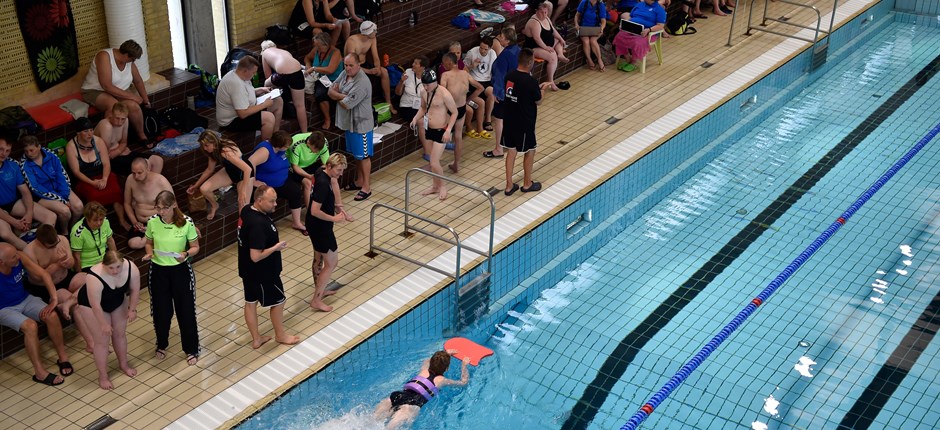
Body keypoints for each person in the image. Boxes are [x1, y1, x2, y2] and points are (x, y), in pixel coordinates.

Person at [237, 185, 301, 348]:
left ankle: (256, 338)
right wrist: (275, 247)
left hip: (247, 270)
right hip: (263, 273)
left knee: (250, 302)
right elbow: (256, 256)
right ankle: (280, 335)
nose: (275, 204)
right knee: (279, 301)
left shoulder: (246, 210)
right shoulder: (258, 224)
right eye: (271, 201)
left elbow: (241, 199)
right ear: (259, 201)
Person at [0, 243, 72, 386]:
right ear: (2, 262)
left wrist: (54, 299)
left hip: (25, 299)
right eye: (13, 257)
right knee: (31, 326)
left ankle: (62, 357)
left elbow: (43, 274)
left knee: (51, 315)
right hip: (4, 308)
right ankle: (40, 373)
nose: (17, 257)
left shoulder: (20, 257)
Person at [142, 191, 201, 366]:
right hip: (158, 271)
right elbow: (148, 242)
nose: (161, 212)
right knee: (161, 312)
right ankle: (161, 344)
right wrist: (148, 254)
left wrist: (186, 254)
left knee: (186, 311)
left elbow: (195, 247)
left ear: (174, 205)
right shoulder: (152, 221)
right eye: (158, 208)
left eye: (165, 208)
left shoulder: (186, 222)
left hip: (181, 270)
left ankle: (191, 349)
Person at [73, 250, 141, 389]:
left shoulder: (131, 268)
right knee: (101, 342)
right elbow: (95, 305)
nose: (115, 271)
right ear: (104, 265)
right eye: (111, 268)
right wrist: (103, 324)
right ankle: (103, 377)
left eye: (118, 267)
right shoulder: (94, 276)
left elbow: (135, 289)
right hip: (91, 306)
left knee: (120, 334)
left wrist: (132, 309)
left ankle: (124, 365)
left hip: (116, 299)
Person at [374, 350, 471, 429]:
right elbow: (463, 382)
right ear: (446, 369)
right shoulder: (441, 380)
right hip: (411, 405)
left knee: (372, 420)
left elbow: (427, 360)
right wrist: (464, 365)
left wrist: (446, 353)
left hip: (397, 395)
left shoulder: (424, 369)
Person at [80, 39, 151, 145]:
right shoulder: (104, 56)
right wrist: (132, 96)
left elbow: (138, 80)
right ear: (127, 55)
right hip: (95, 91)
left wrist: (146, 101)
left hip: (117, 92)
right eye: (133, 59)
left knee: (134, 106)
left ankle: (142, 135)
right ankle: (109, 144)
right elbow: (106, 85)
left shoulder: (128, 61)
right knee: (114, 107)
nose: (133, 62)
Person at [65, 117, 130, 230]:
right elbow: (76, 172)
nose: (90, 134)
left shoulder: (98, 141)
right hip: (85, 179)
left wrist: (105, 178)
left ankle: (122, 220)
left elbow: (106, 163)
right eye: (86, 131)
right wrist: (92, 183)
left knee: (116, 190)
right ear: (78, 133)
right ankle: (96, 224)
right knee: (94, 196)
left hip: (102, 174)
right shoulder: (71, 147)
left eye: (91, 130)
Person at [306, 154, 348, 312]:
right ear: (329, 166)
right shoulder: (323, 183)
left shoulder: (320, 170)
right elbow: (315, 210)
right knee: (331, 262)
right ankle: (316, 300)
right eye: (338, 170)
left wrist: (341, 209)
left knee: (318, 257)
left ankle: (320, 291)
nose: (341, 174)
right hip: (320, 227)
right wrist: (335, 218)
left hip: (315, 225)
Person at [329, 54, 374, 201]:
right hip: (349, 123)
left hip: (361, 125)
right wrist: (343, 95)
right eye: (346, 65)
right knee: (356, 155)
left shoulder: (362, 82)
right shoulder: (345, 74)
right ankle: (360, 180)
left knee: (364, 156)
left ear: (359, 65)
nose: (347, 68)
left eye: (351, 65)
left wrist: (339, 95)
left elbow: (346, 104)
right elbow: (330, 91)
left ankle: (366, 187)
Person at [1, 137, 58, 250]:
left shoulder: (13, 165)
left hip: (12, 203)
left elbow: (25, 192)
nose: (4, 154)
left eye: (7, 151)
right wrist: (14, 222)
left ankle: (41, 246)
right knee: (5, 233)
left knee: (51, 216)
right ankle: (32, 253)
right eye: (1, 149)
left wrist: (29, 214)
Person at [501, 49, 545, 196]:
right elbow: (538, 101)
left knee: (511, 151)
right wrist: (543, 91)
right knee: (530, 150)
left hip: (509, 119)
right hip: (524, 122)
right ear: (531, 62)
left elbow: (514, 93)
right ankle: (527, 184)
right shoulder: (531, 81)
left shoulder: (509, 75)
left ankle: (508, 186)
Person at [18, 136, 82, 234]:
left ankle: (73, 228)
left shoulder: (51, 154)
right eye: (26, 151)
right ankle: (65, 233)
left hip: (59, 189)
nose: (29, 154)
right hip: (41, 196)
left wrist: (63, 195)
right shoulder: (24, 164)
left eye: (31, 150)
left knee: (79, 206)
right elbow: (36, 188)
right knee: (65, 211)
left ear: (39, 147)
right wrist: (61, 200)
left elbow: (62, 175)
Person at [410, 70, 457, 200]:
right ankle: (435, 186)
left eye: (427, 85)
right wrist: (415, 118)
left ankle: (442, 186)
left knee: (434, 162)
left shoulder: (444, 94)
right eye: (423, 84)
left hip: (442, 130)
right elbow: (423, 108)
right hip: (429, 128)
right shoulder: (424, 92)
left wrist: (448, 130)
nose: (425, 87)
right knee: (432, 162)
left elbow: (454, 113)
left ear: (435, 82)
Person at [248, 131, 307, 234]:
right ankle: (266, 227)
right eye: (286, 146)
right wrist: (253, 181)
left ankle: (296, 222)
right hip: (267, 185)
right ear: (279, 145)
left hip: (282, 182)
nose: (288, 148)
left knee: (296, 192)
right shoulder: (265, 151)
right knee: (268, 204)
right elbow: (250, 163)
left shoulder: (280, 149)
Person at [189, 131, 255, 221]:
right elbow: (209, 170)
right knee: (204, 189)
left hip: (244, 174)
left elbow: (247, 169)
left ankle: (245, 231)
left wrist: (243, 191)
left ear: (213, 142)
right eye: (203, 146)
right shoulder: (212, 151)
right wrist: (196, 186)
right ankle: (215, 206)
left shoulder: (225, 151)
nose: (204, 148)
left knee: (242, 207)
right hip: (230, 171)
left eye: (206, 145)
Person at [216, 56, 284, 141]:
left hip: (244, 109)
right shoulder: (235, 84)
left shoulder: (240, 75)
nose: (254, 75)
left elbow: (245, 93)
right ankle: (266, 148)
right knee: (268, 118)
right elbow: (242, 113)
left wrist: (261, 89)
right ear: (245, 71)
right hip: (232, 121)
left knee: (278, 101)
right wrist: (264, 105)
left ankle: (275, 138)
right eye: (253, 72)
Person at [22, 225, 82, 315]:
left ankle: (70, 302)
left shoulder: (62, 239)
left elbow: (71, 264)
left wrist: (68, 261)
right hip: (46, 287)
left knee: (90, 280)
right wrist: (58, 265)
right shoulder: (29, 252)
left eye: (56, 243)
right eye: (50, 246)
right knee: (68, 298)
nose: (55, 247)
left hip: (66, 277)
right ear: (40, 242)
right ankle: (69, 303)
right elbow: (37, 278)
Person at [94, 101, 164, 176]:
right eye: (117, 118)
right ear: (112, 114)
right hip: (108, 159)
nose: (120, 122)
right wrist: (120, 150)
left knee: (157, 161)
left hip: (119, 153)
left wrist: (119, 150)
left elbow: (123, 143)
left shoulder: (125, 121)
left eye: (122, 119)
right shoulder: (106, 126)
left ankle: (151, 185)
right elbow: (105, 154)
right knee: (141, 170)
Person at [440, 53, 483, 174]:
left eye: (444, 63)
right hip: (462, 108)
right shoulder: (465, 74)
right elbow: (480, 88)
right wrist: (469, 99)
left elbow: (442, 92)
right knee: (458, 136)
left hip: (450, 110)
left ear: (448, 62)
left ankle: (435, 163)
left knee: (441, 135)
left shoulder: (445, 75)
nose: (443, 66)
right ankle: (456, 164)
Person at [483, 27, 521, 159]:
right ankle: (509, 142)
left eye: (501, 36)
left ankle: (499, 149)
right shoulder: (518, 51)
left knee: (499, 120)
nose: (499, 37)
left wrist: (497, 93)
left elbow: (499, 75)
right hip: (517, 91)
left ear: (508, 40)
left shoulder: (505, 56)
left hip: (505, 92)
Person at [344, 21, 396, 113]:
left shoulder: (372, 38)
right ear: (367, 33)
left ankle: (389, 102)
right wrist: (369, 71)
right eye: (374, 31)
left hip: (364, 65)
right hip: (352, 68)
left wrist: (377, 67)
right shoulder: (352, 42)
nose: (376, 32)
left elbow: (375, 56)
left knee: (384, 72)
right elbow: (351, 65)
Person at [123, 158, 173, 249]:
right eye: (133, 173)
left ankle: (156, 234)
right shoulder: (130, 180)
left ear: (148, 169)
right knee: (134, 244)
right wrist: (134, 222)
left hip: (157, 220)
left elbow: (173, 204)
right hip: (141, 224)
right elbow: (127, 204)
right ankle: (155, 236)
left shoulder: (160, 181)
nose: (136, 176)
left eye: (139, 173)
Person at [261, 40, 309, 133]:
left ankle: (271, 115)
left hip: (282, 74)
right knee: (300, 105)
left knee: (266, 85)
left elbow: (268, 76)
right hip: (298, 73)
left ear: (263, 49)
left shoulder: (265, 53)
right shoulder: (284, 51)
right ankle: (305, 132)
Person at [523, 1, 569, 91]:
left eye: (546, 12)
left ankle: (560, 54)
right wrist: (545, 47)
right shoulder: (534, 22)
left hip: (546, 43)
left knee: (558, 40)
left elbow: (553, 30)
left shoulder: (547, 18)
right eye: (542, 12)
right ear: (537, 11)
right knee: (552, 56)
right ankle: (551, 81)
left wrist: (561, 38)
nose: (544, 14)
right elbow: (537, 38)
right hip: (534, 47)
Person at [303, 32, 345, 130]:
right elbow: (307, 58)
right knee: (320, 95)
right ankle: (327, 119)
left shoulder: (335, 52)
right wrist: (308, 65)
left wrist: (314, 68)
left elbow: (330, 69)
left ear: (326, 45)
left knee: (334, 93)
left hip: (334, 79)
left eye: (318, 45)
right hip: (321, 79)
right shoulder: (316, 50)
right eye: (315, 45)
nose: (316, 47)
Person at [613, 0, 666, 72]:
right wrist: (624, 24)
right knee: (619, 37)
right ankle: (627, 58)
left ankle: (633, 62)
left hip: (647, 33)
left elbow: (660, 26)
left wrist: (649, 30)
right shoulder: (639, 4)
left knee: (637, 42)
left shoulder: (660, 10)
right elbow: (630, 16)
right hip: (633, 28)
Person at [396, 56, 431, 161]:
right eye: (413, 62)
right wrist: (401, 82)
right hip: (407, 106)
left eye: (416, 63)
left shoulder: (428, 76)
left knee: (437, 115)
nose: (413, 65)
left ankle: (442, 141)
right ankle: (427, 152)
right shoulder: (408, 73)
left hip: (422, 105)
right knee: (421, 121)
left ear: (422, 67)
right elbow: (397, 93)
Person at [464, 37, 497, 136]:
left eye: (485, 49)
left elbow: (494, 70)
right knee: (479, 102)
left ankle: (487, 120)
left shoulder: (493, 54)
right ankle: (477, 127)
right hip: (474, 81)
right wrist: (472, 66)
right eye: (481, 48)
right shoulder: (472, 53)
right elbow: (464, 71)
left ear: (490, 48)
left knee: (492, 93)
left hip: (486, 81)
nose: (482, 51)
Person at [70, 202, 117, 272]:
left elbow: (110, 241)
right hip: (87, 265)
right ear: (87, 218)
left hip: (104, 259)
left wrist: (116, 260)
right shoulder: (77, 232)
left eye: (101, 219)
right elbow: (76, 257)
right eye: (95, 220)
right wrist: (79, 274)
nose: (99, 223)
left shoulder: (105, 221)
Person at [288, 0, 353, 45]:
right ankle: (317, 56)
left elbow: (328, 15)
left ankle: (330, 51)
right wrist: (326, 25)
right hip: (301, 23)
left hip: (315, 20)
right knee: (318, 31)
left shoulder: (324, 0)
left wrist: (333, 19)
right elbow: (312, 23)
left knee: (338, 26)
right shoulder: (307, 1)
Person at [574, 0, 610, 72]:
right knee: (586, 41)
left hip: (596, 28)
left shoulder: (601, 5)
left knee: (593, 41)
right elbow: (577, 15)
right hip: (583, 27)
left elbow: (603, 21)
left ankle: (600, 60)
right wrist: (576, 24)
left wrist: (601, 29)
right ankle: (589, 60)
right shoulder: (584, 3)